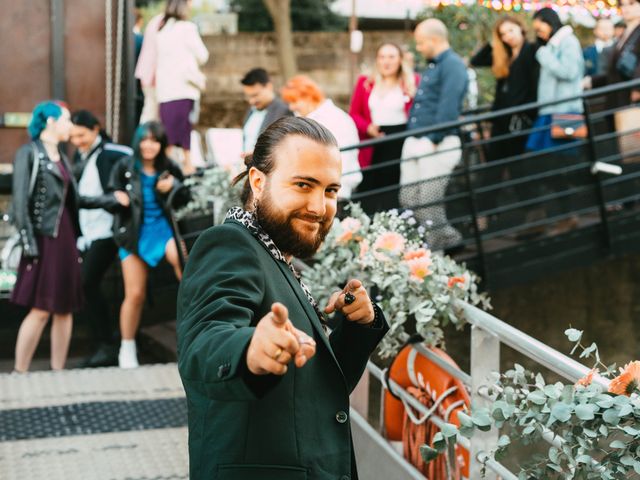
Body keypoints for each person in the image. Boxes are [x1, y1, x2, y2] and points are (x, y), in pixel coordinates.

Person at [176, 116, 388, 480]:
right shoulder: (230, 245)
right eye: (304, 185)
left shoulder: (275, 254)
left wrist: (358, 328)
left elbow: (314, 394)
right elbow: (204, 341)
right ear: (258, 182)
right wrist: (250, 350)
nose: (319, 207)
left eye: (330, 190)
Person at [10, 101, 125, 372]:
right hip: (44, 239)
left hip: (66, 238)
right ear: (50, 122)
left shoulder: (62, 156)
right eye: (65, 120)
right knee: (40, 309)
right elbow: (19, 204)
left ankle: (58, 373)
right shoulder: (28, 153)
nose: (70, 126)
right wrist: (30, 244)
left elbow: (74, 200)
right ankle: (19, 372)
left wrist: (110, 199)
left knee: (64, 309)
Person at [109, 121, 191, 368]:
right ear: (137, 142)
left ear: (161, 144)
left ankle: (193, 329)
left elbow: (187, 195)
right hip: (133, 234)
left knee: (185, 269)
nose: (149, 145)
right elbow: (110, 196)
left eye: (155, 140)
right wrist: (116, 197)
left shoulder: (169, 167)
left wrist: (174, 186)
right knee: (134, 294)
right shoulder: (124, 167)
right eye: (145, 140)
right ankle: (127, 347)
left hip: (163, 230)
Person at [69, 110, 133, 368]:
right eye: (73, 136)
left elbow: (132, 163)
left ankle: (107, 345)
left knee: (86, 283)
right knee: (87, 285)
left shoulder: (111, 153)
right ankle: (104, 343)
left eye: (81, 134)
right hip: (90, 233)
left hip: (108, 232)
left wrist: (113, 198)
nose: (77, 140)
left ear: (96, 129)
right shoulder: (81, 156)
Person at [400, 19, 468, 250]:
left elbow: (448, 107)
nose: (418, 48)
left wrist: (434, 139)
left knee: (429, 202)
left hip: (437, 142)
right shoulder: (433, 66)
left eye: (420, 43)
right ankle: (444, 240)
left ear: (434, 39)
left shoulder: (453, 65)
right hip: (417, 139)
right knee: (408, 200)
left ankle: (443, 246)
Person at [470, 16, 539, 222]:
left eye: (511, 30)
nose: (507, 36)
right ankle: (486, 213)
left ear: (521, 28)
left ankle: (533, 213)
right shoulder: (503, 54)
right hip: (501, 121)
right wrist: (494, 42)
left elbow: (533, 88)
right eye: (503, 34)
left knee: (519, 169)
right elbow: (476, 61)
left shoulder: (531, 51)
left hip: (520, 121)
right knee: (493, 168)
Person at [525, 8, 584, 235]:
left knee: (557, 166)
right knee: (541, 164)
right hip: (549, 112)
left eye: (540, 26)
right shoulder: (552, 44)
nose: (537, 31)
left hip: (565, 113)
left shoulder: (567, 42)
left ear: (550, 23)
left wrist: (543, 55)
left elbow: (569, 71)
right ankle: (555, 216)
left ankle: (567, 216)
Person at [349, 43, 419, 213]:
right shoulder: (365, 83)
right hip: (373, 140)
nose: (386, 61)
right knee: (368, 189)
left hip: (400, 140)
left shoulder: (412, 81)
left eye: (391, 57)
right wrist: (368, 127)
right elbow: (353, 114)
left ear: (400, 60)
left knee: (393, 191)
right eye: (382, 57)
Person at [281, 75, 363, 200]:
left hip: (336, 189)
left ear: (308, 97)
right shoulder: (305, 116)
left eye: (294, 101)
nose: (291, 107)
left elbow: (344, 160)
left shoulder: (336, 119)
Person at [155, 0, 209, 175]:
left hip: (165, 91)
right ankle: (186, 167)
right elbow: (203, 56)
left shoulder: (161, 30)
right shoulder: (187, 28)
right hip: (184, 88)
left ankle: (166, 168)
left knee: (169, 133)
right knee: (185, 130)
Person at [240, 67, 292, 153]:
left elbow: (283, 147)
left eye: (255, 95)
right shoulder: (251, 110)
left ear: (269, 86)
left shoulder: (284, 111)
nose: (251, 101)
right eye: (248, 96)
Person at [135, 12, 164, 123]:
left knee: (149, 112)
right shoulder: (165, 22)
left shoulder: (155, 20)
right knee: (151, 115)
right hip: (154, 76)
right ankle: (141, 139)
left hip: (146, 73)